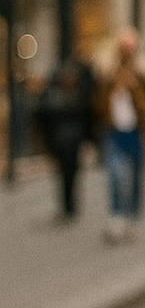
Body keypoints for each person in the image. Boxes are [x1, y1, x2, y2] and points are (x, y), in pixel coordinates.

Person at [94, 28, 145, 242]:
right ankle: (117, 217)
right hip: (114, 132)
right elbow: (99, 105)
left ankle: (130, 216)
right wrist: (114, 85)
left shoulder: (141, 74)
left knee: (136, 177)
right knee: (116, 176)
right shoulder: (109, 75)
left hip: (136, 132)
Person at [36, 56, 94, 219]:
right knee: (63, 173)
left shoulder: (79, 96)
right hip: (59, 140)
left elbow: (87, 117)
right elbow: (43, 117)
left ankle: (71, 204)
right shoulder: (53, 96)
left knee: (72, 172)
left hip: (73, 140)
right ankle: (67, 204)